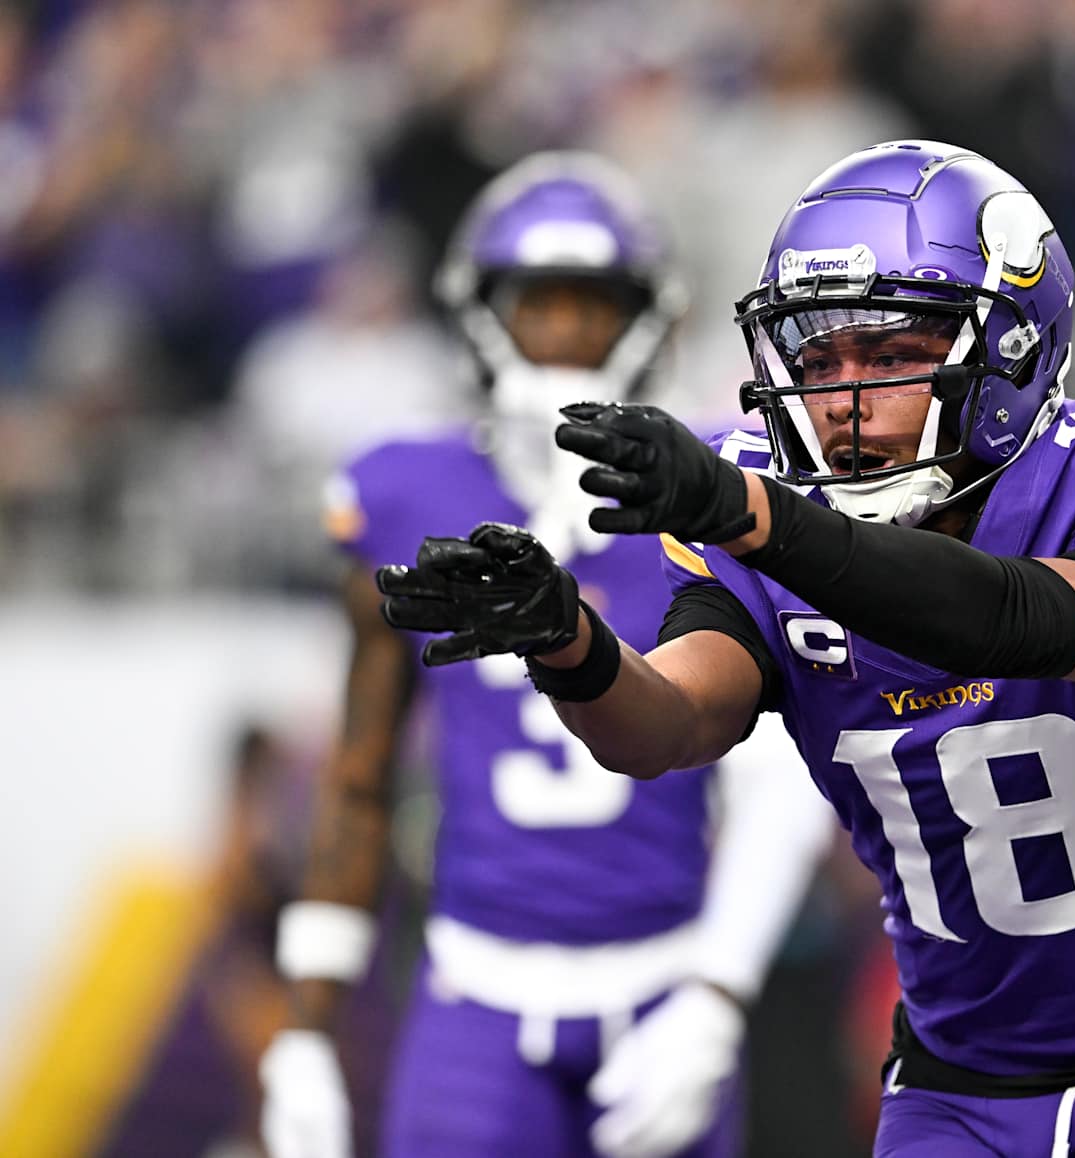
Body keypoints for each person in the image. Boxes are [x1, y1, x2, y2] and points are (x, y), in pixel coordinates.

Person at [378, 139, 1075, 1158]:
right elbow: (668, 723)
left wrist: (755, 514)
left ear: (1008, 351)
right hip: (956, 1079)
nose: (844, 399)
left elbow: (1020, 621)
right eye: (819, 361)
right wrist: (570, 644)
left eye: (892, 355)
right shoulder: (770, 524)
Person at [258, 152, 835, 1158]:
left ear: (647, 315)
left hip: (665, 971)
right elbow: (359, 775)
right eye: (541, 303)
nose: (567, 332)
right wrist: (306, 1027)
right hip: (478, 985)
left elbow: (779, 779)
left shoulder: (714, 489)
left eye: (593, 304)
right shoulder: (405, 490)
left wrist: (714, 992)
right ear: (483, 313)